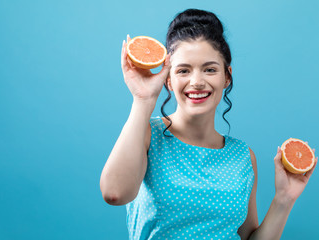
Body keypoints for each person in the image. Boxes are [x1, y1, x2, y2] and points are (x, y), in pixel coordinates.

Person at [100, 8, 318, 240]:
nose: (197, 82)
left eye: (210, 69)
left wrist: (284, 199)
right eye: (183, 70)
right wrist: (143, 100)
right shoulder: (146, 134)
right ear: (168, 80)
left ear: (227, 77)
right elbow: (114, 193)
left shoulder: (243, 156)